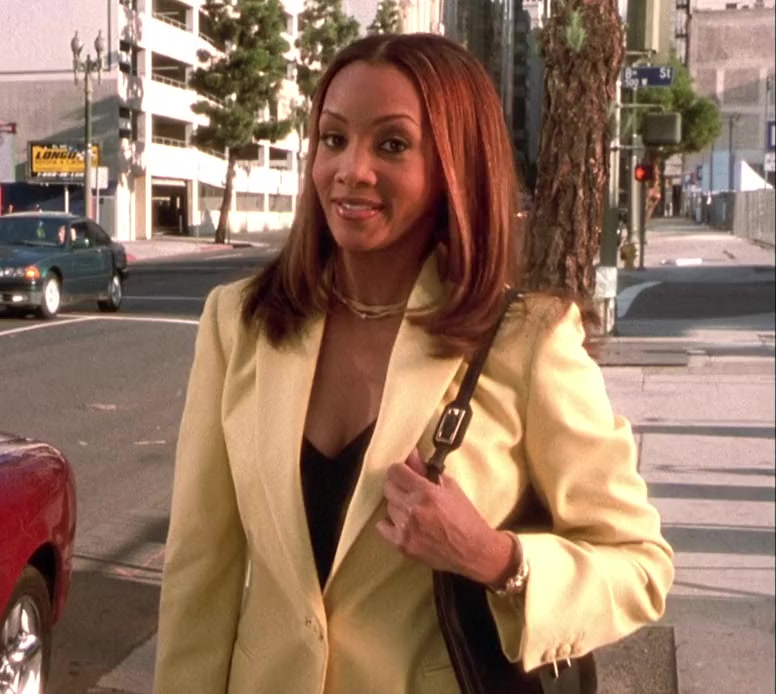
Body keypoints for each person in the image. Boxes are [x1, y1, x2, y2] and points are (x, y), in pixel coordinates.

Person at [153, 33, 673, 694]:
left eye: (392, 145)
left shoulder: (528, 341)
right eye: (334, 138)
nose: (351, 169)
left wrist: (495, 558)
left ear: (458, 166)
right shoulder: (240, 322)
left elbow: (639, 565)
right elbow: (201, 566)